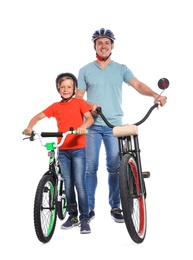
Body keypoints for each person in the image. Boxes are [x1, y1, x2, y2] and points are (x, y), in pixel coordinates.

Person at [75, 28, 167, 223]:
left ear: (112, 46)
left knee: (115, 167)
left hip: (114, 125)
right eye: (99, 43)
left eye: (107, 43)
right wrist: (90, 105)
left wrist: (155, 95)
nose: (103, 46)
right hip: (92, 124)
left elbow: (138, 85)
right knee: (90, 167)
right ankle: (89, 208)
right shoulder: (85, 70)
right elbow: (78, 99)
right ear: (95, 46)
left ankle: (116, 206)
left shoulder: (121, 69)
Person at [23, 73, 94, 234]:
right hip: (62, 150)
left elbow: (89, 118)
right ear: (58, 89)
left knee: (79, 184)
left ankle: (84, 218)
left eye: (69, 87)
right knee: (68, 184)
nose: (66, 89)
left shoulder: (79, 102)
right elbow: (38, 116)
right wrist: (30, 127)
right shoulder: (56, 106)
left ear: (74, 89)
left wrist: (83, 126)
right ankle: (73, 216)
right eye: (62, 87)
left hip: (78, 149)